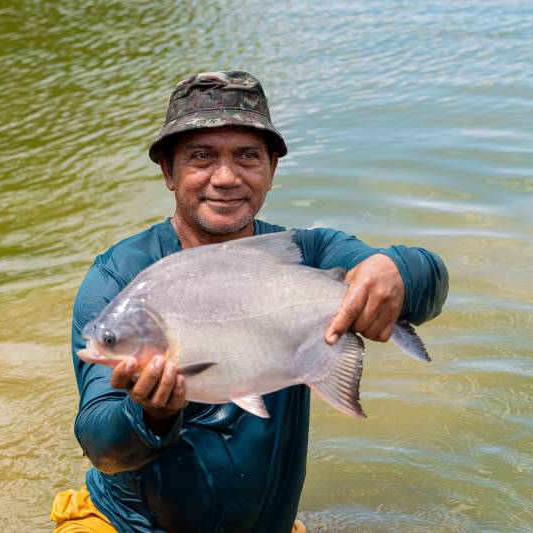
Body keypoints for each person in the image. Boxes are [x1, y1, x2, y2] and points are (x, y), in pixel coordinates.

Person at [50, 71, 449, 533]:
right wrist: (150, 413)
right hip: (126, 525)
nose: (225, 178)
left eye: (247, 156)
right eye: (201, 156)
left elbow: (430, 281)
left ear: (271, 169)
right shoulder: (121, 276)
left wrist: (398, 270)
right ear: (168, 171)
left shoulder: (308, 252)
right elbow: (100, 444)